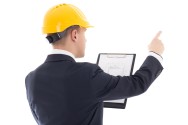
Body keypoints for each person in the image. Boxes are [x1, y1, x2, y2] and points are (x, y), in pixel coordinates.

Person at [25, 3, 164, 125]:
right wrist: (155, 53)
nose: (85, 40)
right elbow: (137, 84)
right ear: (74, 34)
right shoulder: (87, 73)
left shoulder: (31, 79)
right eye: (84, 33)